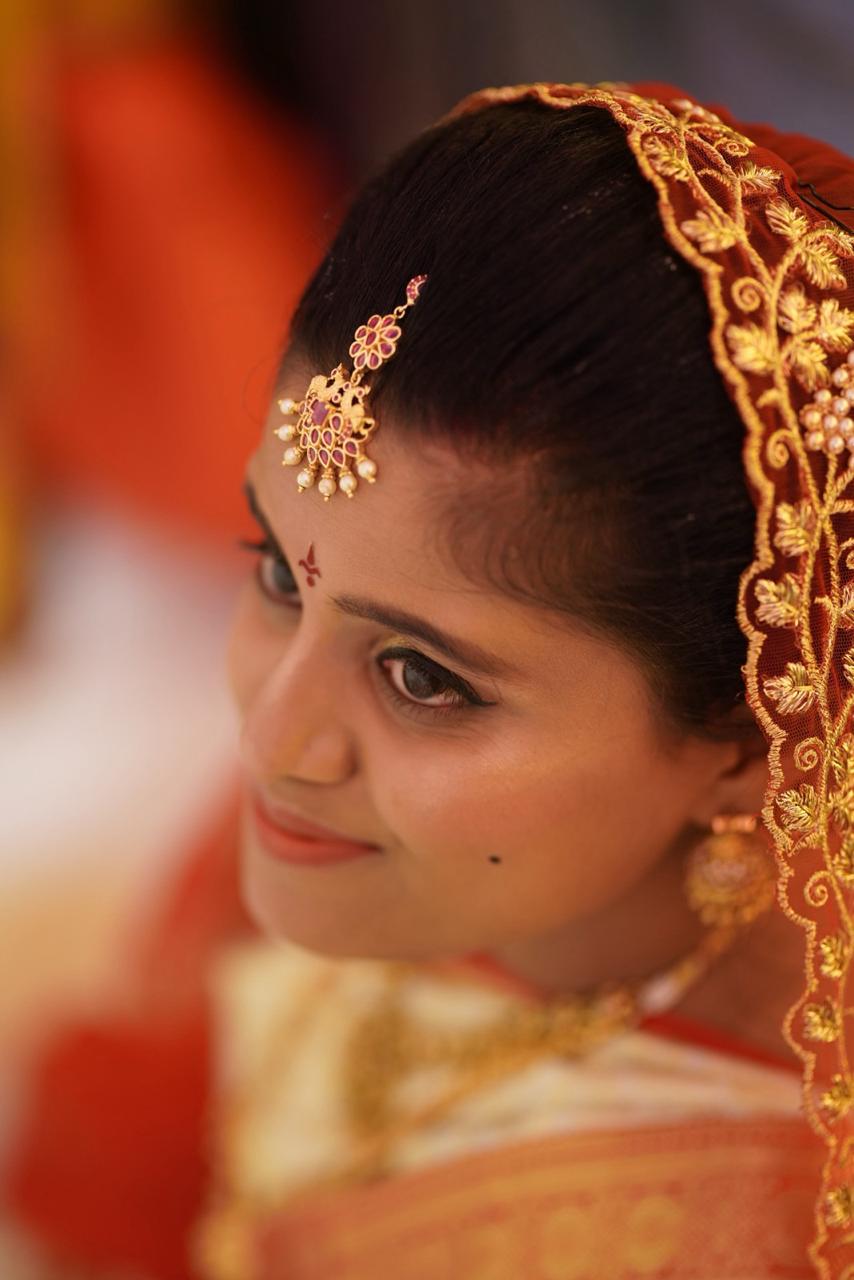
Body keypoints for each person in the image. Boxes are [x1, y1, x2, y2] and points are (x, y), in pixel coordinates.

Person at [8, 81, 854, 1280]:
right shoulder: (351, 836)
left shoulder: (770, 1223)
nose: (274, 738)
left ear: (750, 739)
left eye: (419, 675)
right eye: (278, 571)